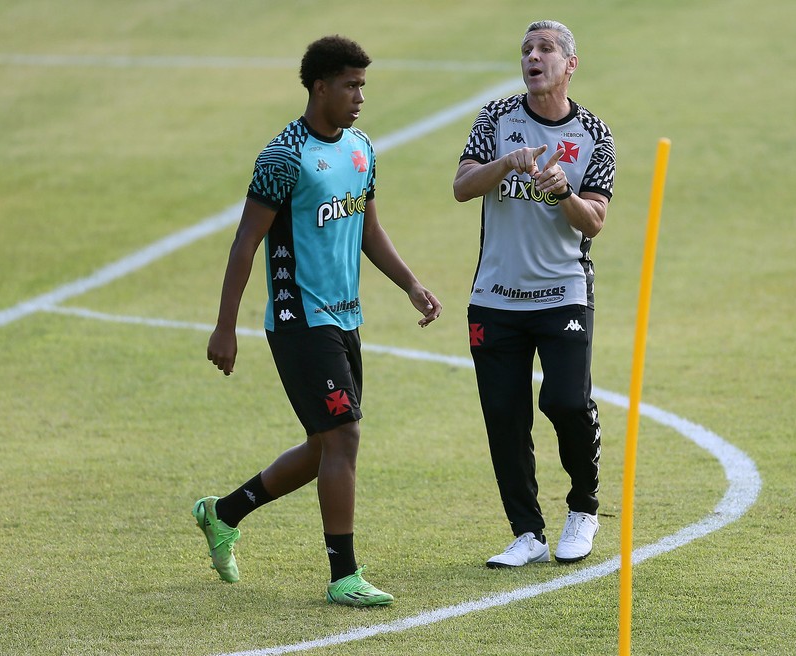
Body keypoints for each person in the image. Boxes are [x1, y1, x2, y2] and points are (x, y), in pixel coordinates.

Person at [194, 35, 442, 607]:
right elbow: (244, 245)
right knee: (344, 437)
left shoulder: (360, 148)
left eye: (363, 86)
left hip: (345, 318)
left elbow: (369, 231)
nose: (359, 97)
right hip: (298, 318)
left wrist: (410, 284)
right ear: (319, 86)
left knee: (325, 445)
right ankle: (343, 575)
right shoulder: (283, 158)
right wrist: (225, 326)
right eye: (350, 86)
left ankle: (223, 513)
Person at [452, 20, 615, 568]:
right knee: (504, 416)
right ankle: (527, 532)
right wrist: (507, 164)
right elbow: (461, 187)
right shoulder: (497, 119)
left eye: (546, 49)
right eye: (526, 49)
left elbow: (592, 221)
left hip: (563, 292)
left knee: (566, 401)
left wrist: (562, 192)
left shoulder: (594, 133)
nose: (533, 57)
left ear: (570, 64)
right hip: (495, 297)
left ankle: (584, 508)